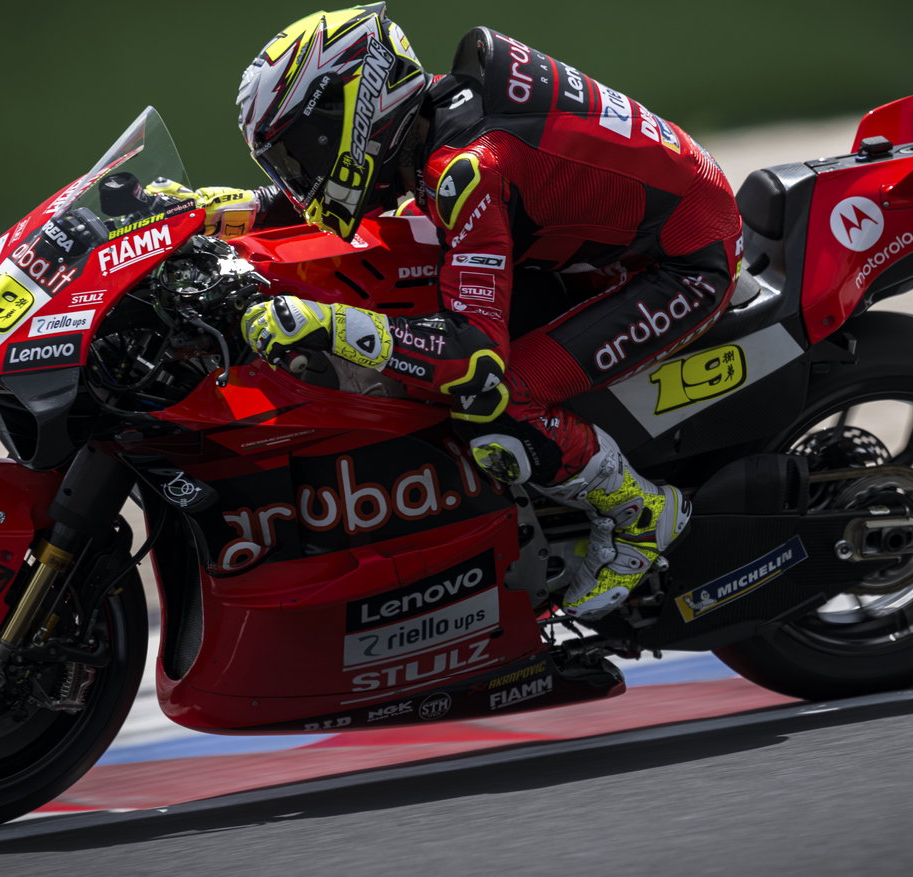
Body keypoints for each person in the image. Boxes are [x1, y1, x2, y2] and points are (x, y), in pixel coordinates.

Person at [156, 4, 743, 621]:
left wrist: (325, 324)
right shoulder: (437, 118)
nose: (300, 177)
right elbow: (342, 195)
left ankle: (638, 514)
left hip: (681, 263)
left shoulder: (468, 166)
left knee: (499, 403)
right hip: (600, 241)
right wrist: (206, 212)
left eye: (304, 151)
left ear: (356, 110)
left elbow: (472, 357)